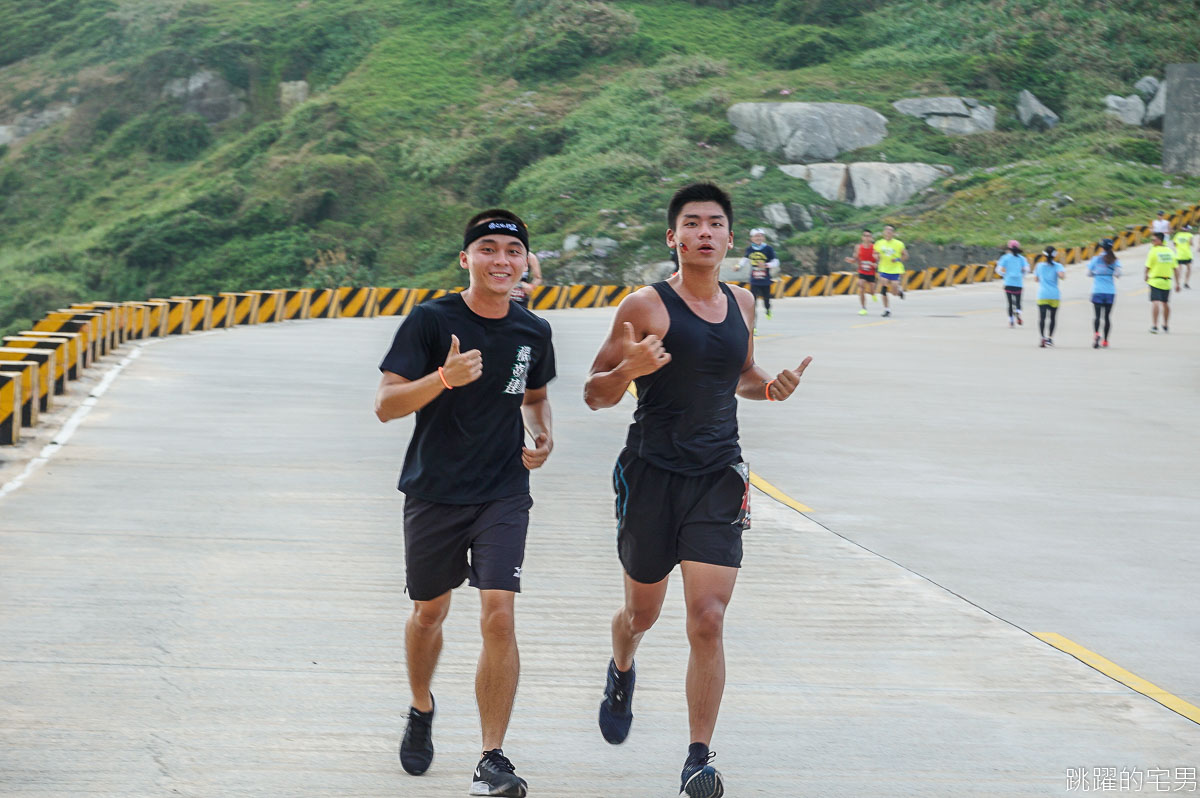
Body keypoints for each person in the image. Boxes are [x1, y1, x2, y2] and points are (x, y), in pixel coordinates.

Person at [583, 183, 812, 798]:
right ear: (673, 238)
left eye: (715, 223)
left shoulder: (743, 304)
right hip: (651, 477)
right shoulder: (644, 307)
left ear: (730, 238)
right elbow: (595, 391)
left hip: (718, 476)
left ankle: (698, 759)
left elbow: (738, 373)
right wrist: (629, 370)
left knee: (707, 619)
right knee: (642, 614)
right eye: (693, 223)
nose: (705, 232)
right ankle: (622, 665)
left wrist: (771, 387)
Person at [375, 209, 556, 798]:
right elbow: (387, 405)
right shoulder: (431, 321)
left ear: (525, 262)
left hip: (503, 490)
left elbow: (533, 396)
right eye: (488, 249)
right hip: (434, 491)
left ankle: (492, 757)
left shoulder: (534, 330)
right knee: (430, 612)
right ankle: (422, 705)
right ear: (466, 259)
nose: (501, 260)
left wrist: (541, 432)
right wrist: (443, 380)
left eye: (512, 251)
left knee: (499, 613)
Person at [736, 228, 778, 320]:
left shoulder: (768, 249)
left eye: (760, 236)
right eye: (756, 236)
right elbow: (745, 259)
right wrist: (739, 266)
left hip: (765, 280)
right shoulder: (750, 249)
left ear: (764, 238)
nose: (758, 238)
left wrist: (766, 265)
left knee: (766, 301)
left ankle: (768, 310)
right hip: (754, 281)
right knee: (752, 304)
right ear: (752, 238)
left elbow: (776, 262)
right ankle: (753, 326)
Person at [1087, 239, 1121, 348]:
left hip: (1097, 290)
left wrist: (1097, 274)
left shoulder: (1096, 259)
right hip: (1110, 291)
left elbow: (1088, 273)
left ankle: (1096, 333)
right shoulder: (1115, 260)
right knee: (1107, 317)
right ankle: (1106, 340)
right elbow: (1118, 274)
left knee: (1097, 316)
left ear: (1102, 247)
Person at [1145, 231, 1180, 333]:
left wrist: (1146, 275)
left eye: (1153, 240)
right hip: (1167, 281)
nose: (1152, 242)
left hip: (1155, 280)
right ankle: (1165, 324)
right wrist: (1177, 283)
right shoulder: (1170, 252)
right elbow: (1175, 269)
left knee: (1155, 302)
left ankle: (1155, 325)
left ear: (1160, 240)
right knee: (1165, 303)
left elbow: (1147, 266)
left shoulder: (1153, 251)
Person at [1033, 245, 1066, 347]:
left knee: (1042, 318)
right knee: (1052, 318)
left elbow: (1036, 279)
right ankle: (1050, 339)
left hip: (1042, 295)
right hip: (1054, 295)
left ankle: (1042, 337)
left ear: (1044, 255)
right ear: (1055, 256)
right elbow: (1062, 277)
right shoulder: (1058, 266)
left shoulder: (1039, 266)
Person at [873, 224, 907, 317]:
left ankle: (899, 292)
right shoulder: (879, 243)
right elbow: (875, 253)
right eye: (886, 230)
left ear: (893, 233)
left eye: (890, 231)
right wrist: (876, 257)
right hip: (883, 269)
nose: (888, 232)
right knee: (883, 287)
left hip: (895, 269)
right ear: (884, 232)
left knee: (894, 292)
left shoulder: (899, 244)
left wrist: (897, 260)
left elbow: (905, 256)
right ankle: (887, 309)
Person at [995, 240, 1029, 327]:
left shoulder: (1005, 257)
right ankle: (1018, 312)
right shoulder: (1022, 258)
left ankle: (1011, 321)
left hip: (1008, 282)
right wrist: (1022, 275)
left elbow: (998, 270)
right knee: (1018, 302)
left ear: (1009, 248)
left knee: (1009, 303)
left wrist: (1004, 275)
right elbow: (1027, 270)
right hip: (1018, 283)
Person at [845, 229, 878, 315]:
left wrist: (876, 263)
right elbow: (855, 258)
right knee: (861, 285)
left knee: (871, 290)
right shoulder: (858, 247)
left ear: (871, 238)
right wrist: (851, 260)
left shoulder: (874, 247)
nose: (867, 238)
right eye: (865, 236)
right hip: (862, 271)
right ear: (862, 237)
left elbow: (878, 259)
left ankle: (873, 294)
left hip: (871, 272)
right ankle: (863, 308)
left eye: (868, 236)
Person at [1173, 223, 1193, 289]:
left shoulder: (1177, 235)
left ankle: (1178, 283)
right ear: (1187, 229)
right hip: (1187, 254)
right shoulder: (1189, 235)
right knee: (1189, 269)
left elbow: (1174, 243)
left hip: (1179, 254)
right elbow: (1191, 243)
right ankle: (1186, 283)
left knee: (1179, 269)